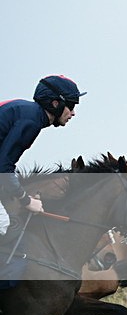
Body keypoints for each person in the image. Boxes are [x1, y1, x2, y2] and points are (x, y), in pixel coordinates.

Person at [0, 75, 85, 240]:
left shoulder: (28, 112)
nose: (73, 113)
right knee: (3, 224)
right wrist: (26, 200)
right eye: (71, 106)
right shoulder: (31, 121)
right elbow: (3, 167)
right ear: (55, 104)